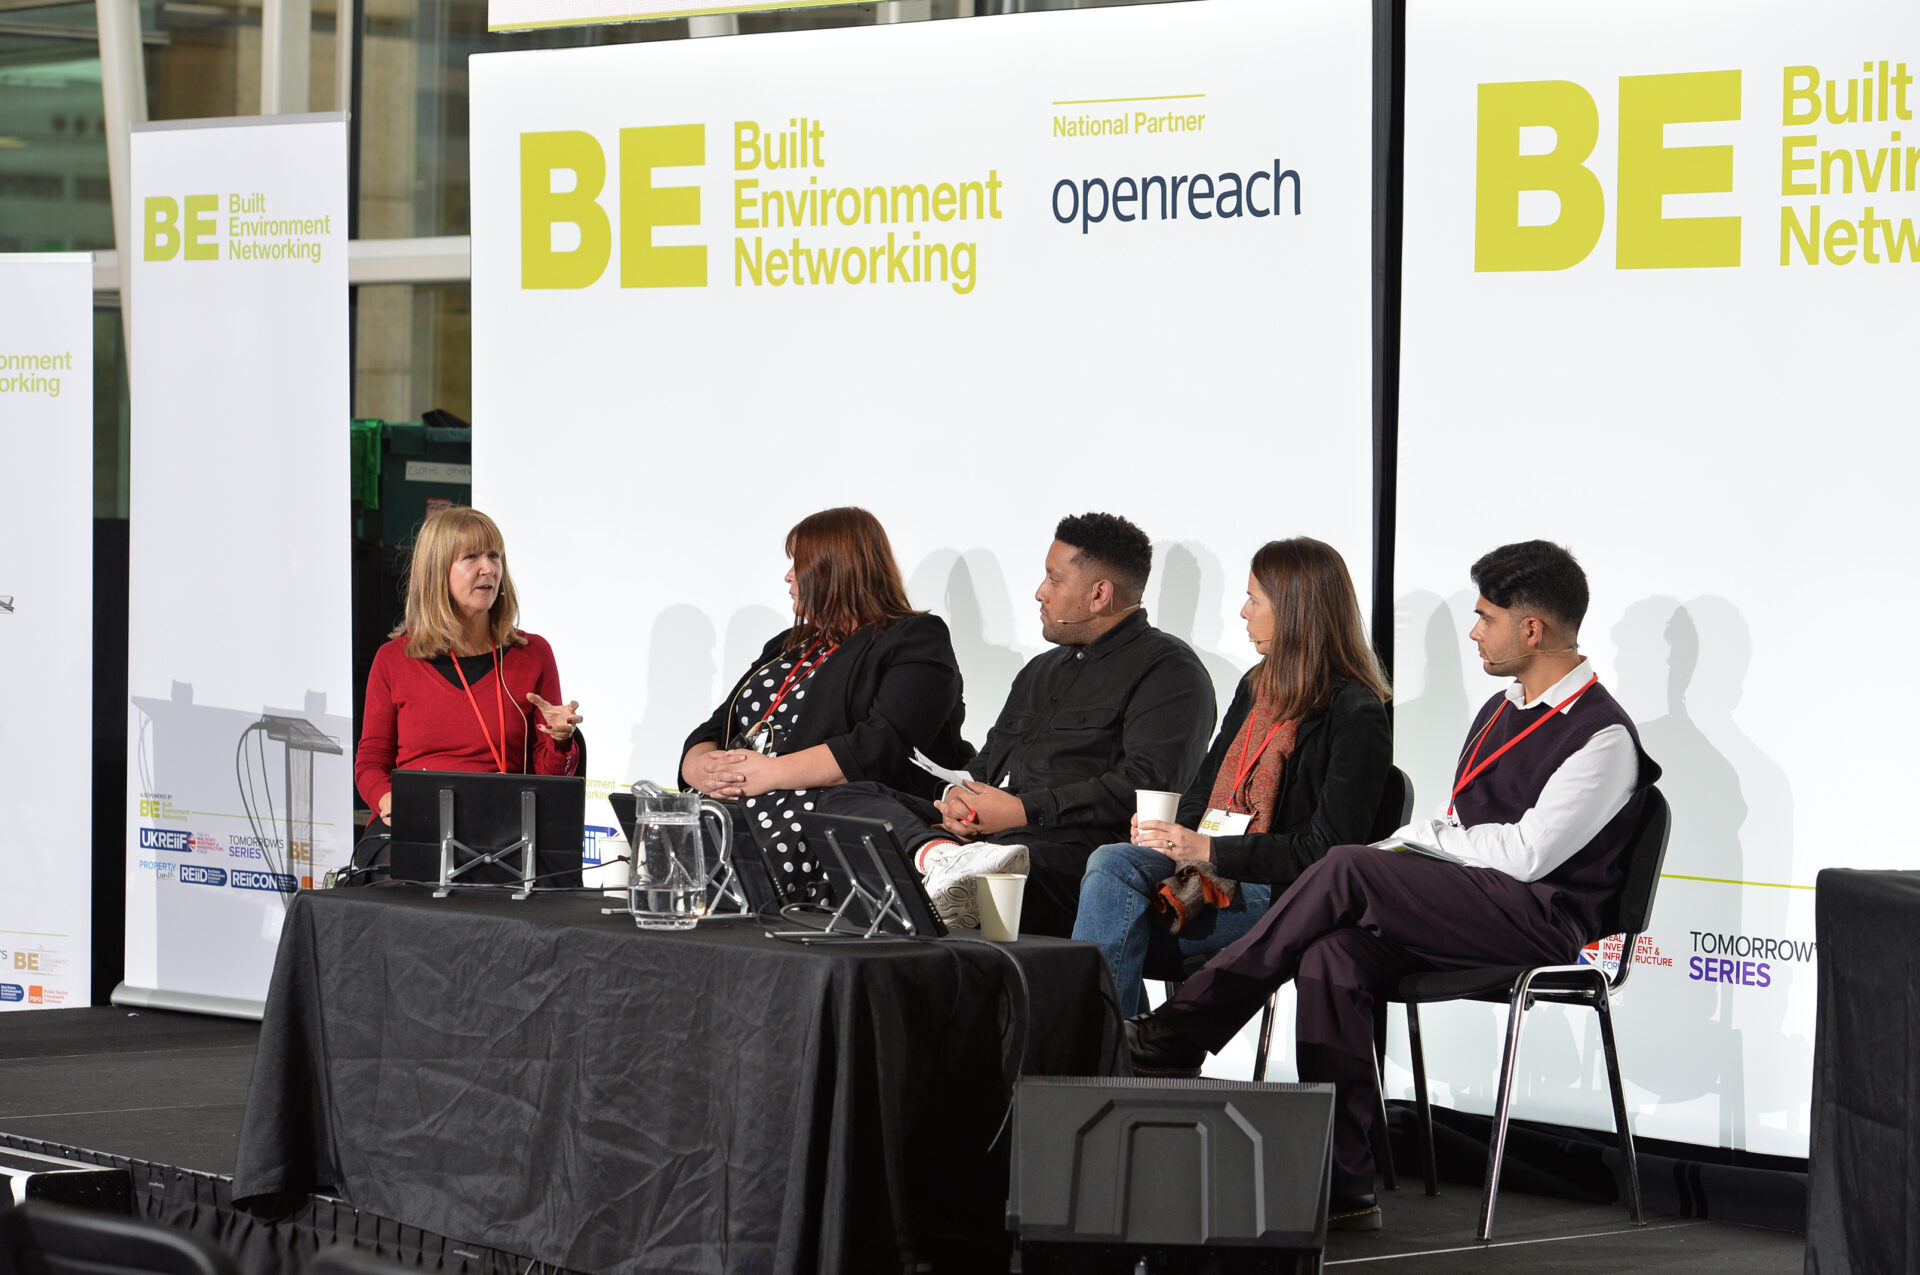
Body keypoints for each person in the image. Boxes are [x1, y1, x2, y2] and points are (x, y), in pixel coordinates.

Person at [1124, 540, 1660, 1232]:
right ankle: (1347, 1184)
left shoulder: (1602, 737)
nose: (1474, 632)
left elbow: (1526, 855)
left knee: (1347, 864)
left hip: (1539, 919)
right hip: (1466, 902)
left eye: (1486, 617)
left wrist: (1420, 840)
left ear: (1532, 629)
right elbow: (1461, 827)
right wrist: (1418, 843)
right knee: (1332, 955)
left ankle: (1184, 1025)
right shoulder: (1498, 711)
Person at [819, 512, 1216, 938]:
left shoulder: (1170, 671)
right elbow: (988, 762)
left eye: (1054, 580)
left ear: (1100, 594)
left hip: (1075, 853)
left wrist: (1021, 811)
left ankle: (955, 869)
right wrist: (960, 801)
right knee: (848, 799)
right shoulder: (1040, 671)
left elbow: (1146, 785)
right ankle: (939, 856)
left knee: (1011, 857)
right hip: (987, 841)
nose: (1039, 592)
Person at [1073, 538, 1391, 1018]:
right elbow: (1203, 790)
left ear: (1295, 611)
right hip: (1212, 872)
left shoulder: (1356, 711)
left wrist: (1210, 850)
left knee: (1109, 914)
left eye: (1254, 600)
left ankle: (1116, 1049)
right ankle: (1128, 1046)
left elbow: (1327, 851)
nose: (1243, 613)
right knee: (1113, 864)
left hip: (1286, 893)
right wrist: (1171, 834)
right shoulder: (1256, 687)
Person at [681, 507, 968, 900]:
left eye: (798, 564)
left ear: (835, 570)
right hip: (742, 801)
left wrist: (770, 774)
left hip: (830, 807)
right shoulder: (788, 645)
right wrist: (702, 769)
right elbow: (717, 727)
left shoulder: (914, 637)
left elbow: (882, 745)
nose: (788, 577)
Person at [355, 506, 583, 837]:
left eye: (495, 556)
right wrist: (392, 803)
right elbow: (370, 765)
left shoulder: (534, 654)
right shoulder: (393, 660)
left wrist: (560, 741)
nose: (488, 568)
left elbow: (551, 781)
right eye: (472, 557)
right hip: (416, 826)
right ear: (437, 571)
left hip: (502, 832)